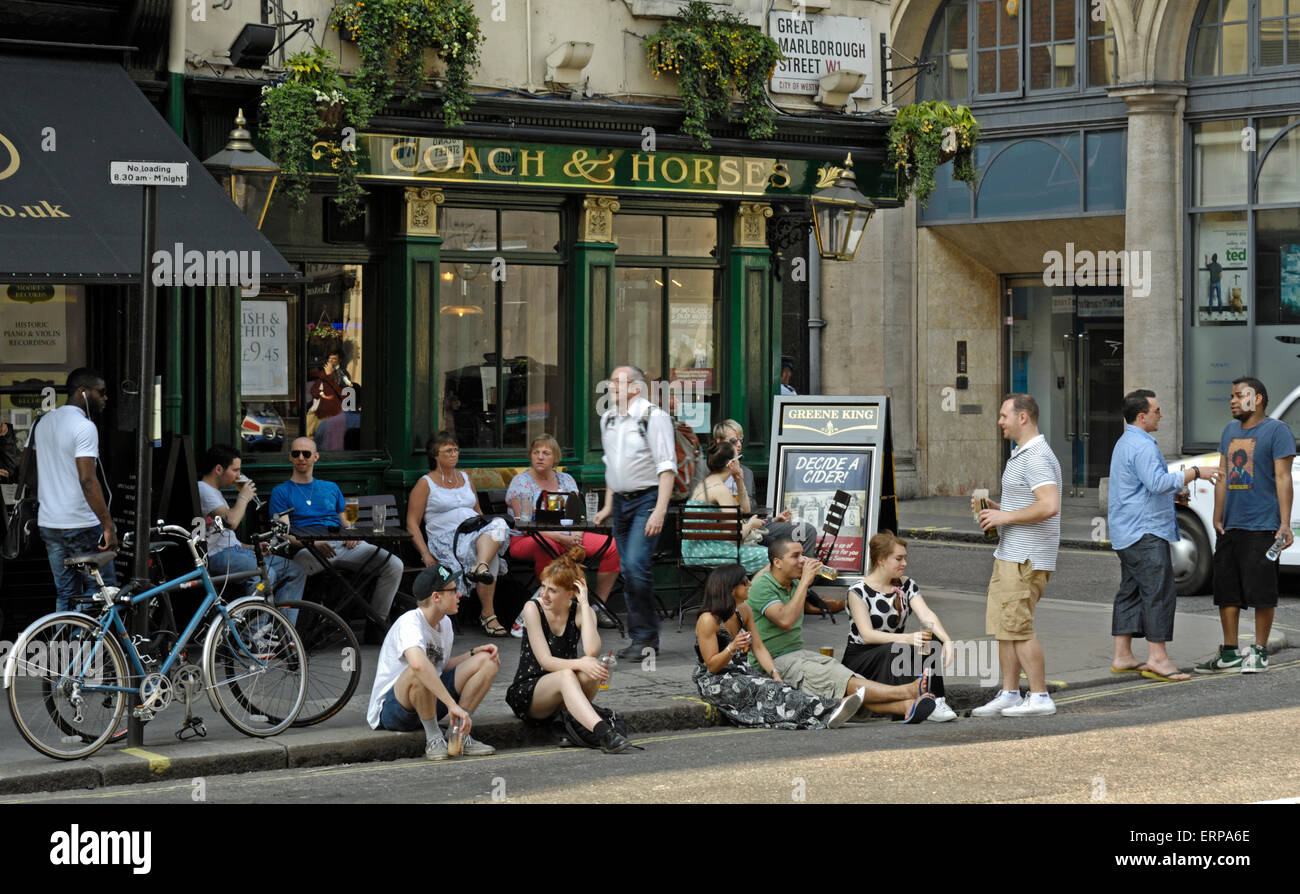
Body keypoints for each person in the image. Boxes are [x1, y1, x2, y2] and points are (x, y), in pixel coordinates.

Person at [747, 535, 936, 723]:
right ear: (777, 562)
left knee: (845, 679)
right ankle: (906, 691)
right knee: (836, 679)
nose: (802, 561)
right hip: (773, 661)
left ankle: (906, 706)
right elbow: (785, 620)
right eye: (795, 556)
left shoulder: (792, 582)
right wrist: (805, 581)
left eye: (803, 555)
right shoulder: (763, 586)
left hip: (799, 653)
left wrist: (804, 580)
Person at [1107, 391, 1221, 682]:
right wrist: (1194, 472)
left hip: (1127, 530)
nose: (1161, 414)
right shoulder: (1143, 446)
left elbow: (1143, 486)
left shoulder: (1125, 442)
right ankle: (1157, 658)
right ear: (1141, 416)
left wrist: (1176, 490)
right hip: (1145, 530)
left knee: (1130, 590)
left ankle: (1123, 655)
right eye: (1156, 410)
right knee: (1158, 592)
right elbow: (1157, 483)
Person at [1196, 377, 1295, 674]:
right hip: (1231, 525)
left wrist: (1285, 523)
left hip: (1263, 525)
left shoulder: (1277, 431)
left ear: (1259, 399)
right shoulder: (1229, 431)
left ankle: (1259, 650)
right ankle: (1229, 652)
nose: (1233, 400)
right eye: (1231, 396)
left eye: (1240, 395)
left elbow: (1283, 478)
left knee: (1262, 590)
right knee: (1226, 590)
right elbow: (1224, 475)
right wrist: (1217, 515)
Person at [971, 394, 1062, 717]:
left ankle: (1039, 696)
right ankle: (1010, 693)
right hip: (1010, 553)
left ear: (1023, 417)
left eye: (1003, 415)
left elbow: (1049, 505)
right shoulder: (1021, 455)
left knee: (1019, 626)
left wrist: (1004, 518)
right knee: (1004, 626)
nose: (999, 421)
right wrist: (998, 509)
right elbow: (1031, 502)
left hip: (1026, 557)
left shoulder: (1036, 456)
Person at [693, 563, 863, 729]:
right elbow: (712, 666)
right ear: (731, 589)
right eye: (745, 582)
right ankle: (833, 708)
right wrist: (732, 648)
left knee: (777, 688)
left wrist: (775, 674)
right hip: (715, 681)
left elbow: (758, 647)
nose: (750, 584)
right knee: (766, 689)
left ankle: (827, 712)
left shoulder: (743, 610)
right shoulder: (708, 619)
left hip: (740, 672)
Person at [505, 546, 633, 753]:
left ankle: (570, 722)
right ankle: (604, 733)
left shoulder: (579, 610)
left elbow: (592, 650)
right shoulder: (533, 608)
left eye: (552, 590)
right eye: (543, 587)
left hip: (565, 689)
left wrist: (584, 604)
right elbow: (545, 661)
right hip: (530, 693)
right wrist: (580, 663)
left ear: (571, 593)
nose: (544, 594)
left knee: (591, 667)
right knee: (571, 672)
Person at [270, 437, 403, 637]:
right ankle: (286, 633)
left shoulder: (330, 487)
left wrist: (352, 534)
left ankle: (377, 623)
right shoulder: (281, 492)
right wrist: (313, 543)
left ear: (315, 457)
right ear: (290, 457)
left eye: (306, 454)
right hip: (309, 550)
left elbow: (346, 522)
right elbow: (285, 534)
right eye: (296, 453)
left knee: (393, 564)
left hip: (343, 545)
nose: (301, 458)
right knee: (294, 571)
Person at [367, 563, 499, 760]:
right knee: (418, 669)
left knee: (487, 660)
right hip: (395, 710)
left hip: (430, 701)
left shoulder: (444, 623)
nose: (460, 595)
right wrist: (452, 705)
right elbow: (420, 666)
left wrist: (473, 653)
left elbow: (441, 666)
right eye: (453, 590)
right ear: (436, 597)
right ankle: (434, 737)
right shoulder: (409, 623)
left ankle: (458, 734)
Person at [595, 365, 676, 659]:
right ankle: (640, 638)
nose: (611, 385)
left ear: (636, 388)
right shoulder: (608, 419)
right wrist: (607, 505)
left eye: (618, 381)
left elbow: (666, 468)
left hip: (647, 500)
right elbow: (611, 466)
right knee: (628, 570)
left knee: (636, 566)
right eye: (611, 380)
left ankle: (645, 638)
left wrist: (659, 511)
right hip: (621, 504)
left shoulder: (653, 417)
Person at [843, 532, 958, 722]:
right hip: (862, 658)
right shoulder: (857, 591)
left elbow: (927, 615)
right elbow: (867, 635)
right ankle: (910, 702)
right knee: (898, 647)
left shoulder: (906, 585)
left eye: (905, 558)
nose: (904, 563)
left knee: (930, 640)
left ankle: (936, 700)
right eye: (898, 558)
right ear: (881, 560)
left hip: (893, 649)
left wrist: (946, 640)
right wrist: (906, 638)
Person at [407, 431, 512, 637]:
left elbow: (479, 513)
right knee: (490, 560)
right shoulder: (425, 483)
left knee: (499, 525)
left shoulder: (465, 478)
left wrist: (485, 530)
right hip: (446, 541)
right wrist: (426, 554)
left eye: (456, 450)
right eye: (448, 451)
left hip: (474, 534)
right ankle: (488, 614)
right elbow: (412, 523)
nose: (454, 454)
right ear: (435, 455)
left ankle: (479, 567)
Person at [28, 369, 117, 611]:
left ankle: (66, 646)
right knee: (101, 591)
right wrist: (108, 525)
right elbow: (88, 480)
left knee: (66, 593)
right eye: (101, 392)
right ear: (83, 391)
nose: (105, 398)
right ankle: (87, 647)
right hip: (81, 524)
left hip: (49, 523)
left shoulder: (42, 423)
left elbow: (30, 475)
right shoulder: (84, 427)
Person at [505, 433, 619, 606]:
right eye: (536, 452)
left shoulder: (566, 480)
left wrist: (577, 535)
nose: (540, 457)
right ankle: (550, 604)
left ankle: (598, 606)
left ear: (556, 458)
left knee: (613, 547)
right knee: (547, 545)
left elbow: (576, 516)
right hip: (528, 538)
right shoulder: (520, 482)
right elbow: (525, 526)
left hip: (568, 535)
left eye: (546, 453)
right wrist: (561, 538)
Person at [198, 444, 307, 608]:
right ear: (219, 469)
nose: (238, 475)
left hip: (233, 552)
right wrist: (243, 498)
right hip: (218, 557)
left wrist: (250, 547)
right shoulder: (203, 489)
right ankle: (254, 630)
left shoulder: (215, 492)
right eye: (235, 470)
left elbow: (223, 536)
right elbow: (232, 522)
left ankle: (284, 629)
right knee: (266, 576)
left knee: (295, 570)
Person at [684, 441, 774, 574]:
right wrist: (751, 524)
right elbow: (737, 534)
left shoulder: (706, 483)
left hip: (694, 551)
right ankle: (752, 594)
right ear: (732, 464)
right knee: (774, 558)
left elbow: (745, 509)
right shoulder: (720, 489)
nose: (740, 463)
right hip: (709, 552)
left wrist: (739, 480)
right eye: (739, 458)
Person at [306, 351, 349, 441]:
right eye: (329, 359)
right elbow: (314, 391)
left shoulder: (343, 374)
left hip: (330, 412)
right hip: (316, 410)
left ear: (339, 360)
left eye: (334, 359)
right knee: (309, 435)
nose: (331, 361)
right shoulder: (323, 372)